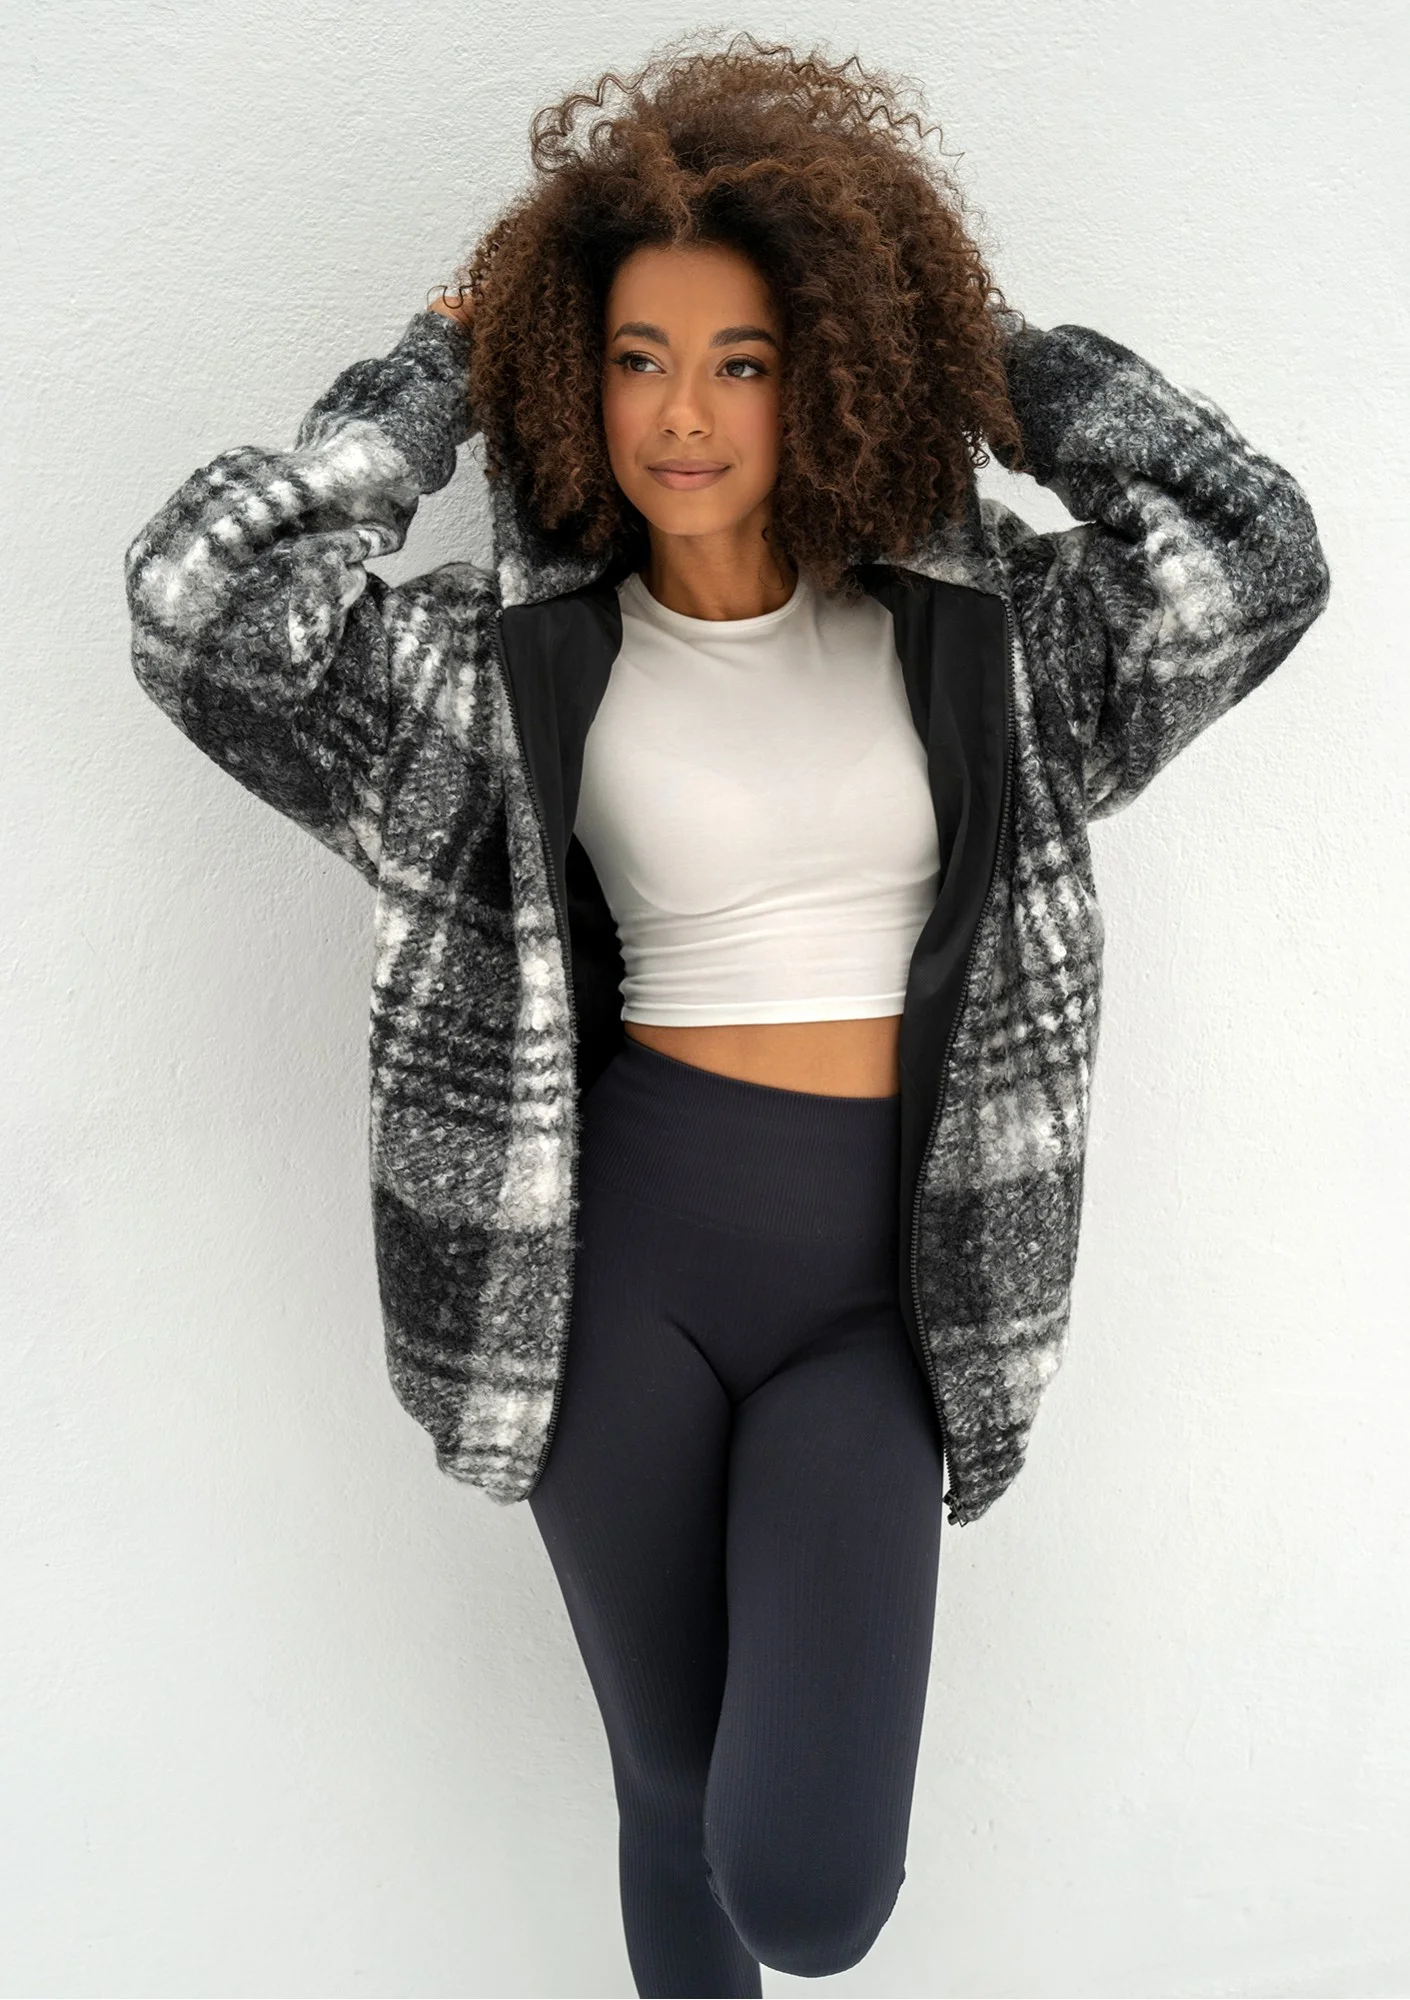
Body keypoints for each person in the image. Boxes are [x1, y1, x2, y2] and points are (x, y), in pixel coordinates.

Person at [123, 33, 1331, 1998]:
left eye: (744, 359)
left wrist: (985, 355)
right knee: (670, 1792)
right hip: (617, 1268)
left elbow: (1260, 550)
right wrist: (426, 375)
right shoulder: (497, 670)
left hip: (886, 1290)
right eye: (634, 356)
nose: (681, 413)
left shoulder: (995, 643)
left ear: (831, 366)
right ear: (571, 377)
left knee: (807, 1888)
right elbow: (198, 600)